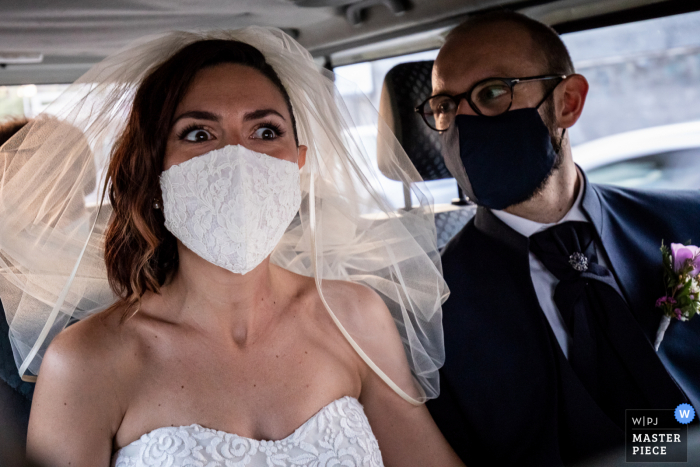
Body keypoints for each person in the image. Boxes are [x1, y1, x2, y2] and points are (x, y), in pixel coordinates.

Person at [0, 29, 463, 466]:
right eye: (199, 134)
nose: (239, 159)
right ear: (155, 175)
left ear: (297, 166)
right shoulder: (86, 361)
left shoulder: (355, 318)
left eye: (265, 132)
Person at [419, 11, 700, 466]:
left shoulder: (688, 222)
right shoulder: (430, 311)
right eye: (445, 107)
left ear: (567, 101)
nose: (464, 123)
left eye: (492, 94)